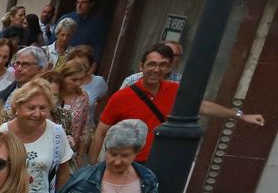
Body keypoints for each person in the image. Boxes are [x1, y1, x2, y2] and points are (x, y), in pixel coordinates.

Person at [88, 42, 263, 162]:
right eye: (151, 64)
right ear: (142, 66)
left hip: (160, 162)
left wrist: (240, 115)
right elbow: (101, 132)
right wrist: (93, 165)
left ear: (170, 68)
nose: (156, 69)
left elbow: (203, 106)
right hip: (128, 163)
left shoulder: (174, 90)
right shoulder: (122, 96)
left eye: (163, 65)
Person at [0, 78, 72, 193]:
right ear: (17, 107)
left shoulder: (56, 133)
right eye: (31, 108)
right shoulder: (2, 133)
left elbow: (63, 173)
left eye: (43, 108)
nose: (37, 114)